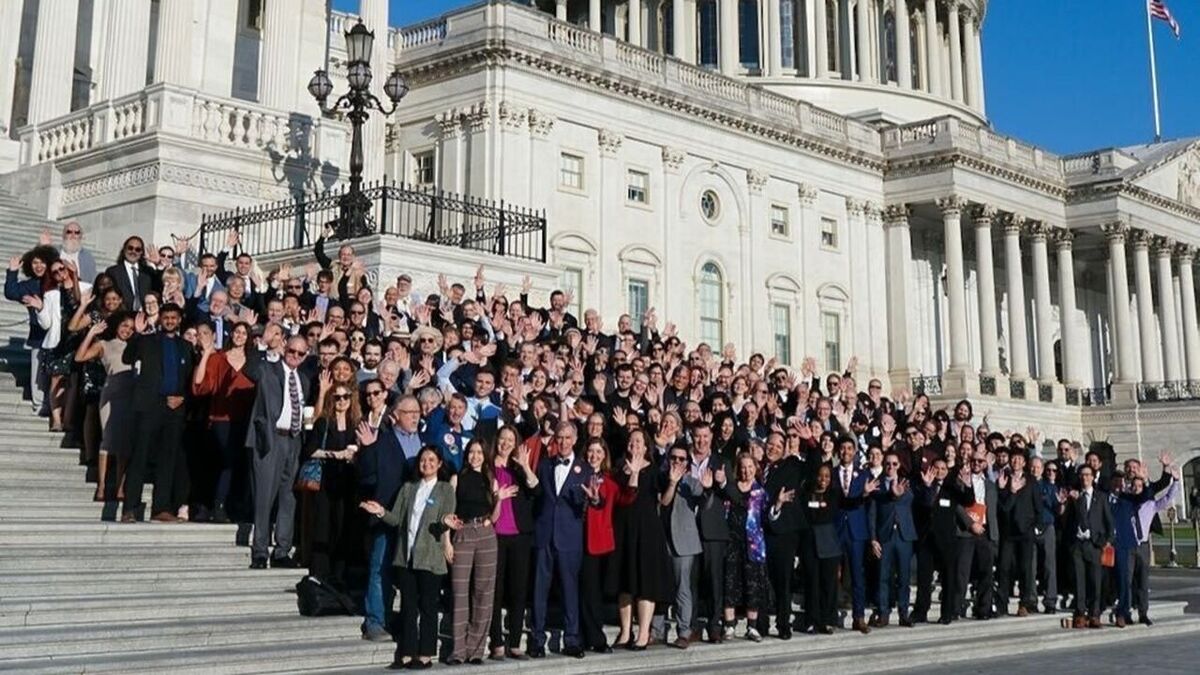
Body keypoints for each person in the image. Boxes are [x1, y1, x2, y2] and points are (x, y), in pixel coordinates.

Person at [360, 446, 455, 670]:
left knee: (428, 606)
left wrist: (445, 523)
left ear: (439, 464)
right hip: (407, 556)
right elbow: (396, 519)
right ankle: (406, 652)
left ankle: (425, 654)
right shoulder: (408, 488)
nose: (427, 463)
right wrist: (380, 511)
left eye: (431, 460)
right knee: (408, 606)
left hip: (430, 557)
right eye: (423, 459)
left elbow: (445, 519)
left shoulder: (445, 490)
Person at [120, 303, 193, 523]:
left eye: (174, 317)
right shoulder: (147, 341)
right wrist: (137, 334)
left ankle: (161, 508)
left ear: (179, 320)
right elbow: (127, 358)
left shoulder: (185, 346)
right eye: (166, 317)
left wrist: (183, 398)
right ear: (160, 319)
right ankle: (130, 508)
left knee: (168, 459)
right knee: (140, 456)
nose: (170, 321)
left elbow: (190, 378)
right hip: (149, 406)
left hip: (174, 408)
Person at [243, 335, 311, 568]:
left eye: (300, 353)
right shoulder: (268, 369)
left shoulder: (303, 379)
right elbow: (249, 370)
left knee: (288, 498)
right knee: (264, 497)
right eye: (292, 351)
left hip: (294, 440)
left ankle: (282, 550)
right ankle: (260, 551)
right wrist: (262, 345)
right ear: (284, 349)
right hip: (271, 439)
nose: (295, 356)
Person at [529, 422, 592, 659]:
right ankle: (537, 639)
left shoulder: (585, 469)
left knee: (569, 589)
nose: (564, 442)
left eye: (568, 438)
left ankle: (572, 639)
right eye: (560, 438)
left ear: (575, 440)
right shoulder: (544, 465)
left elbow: (594, 501)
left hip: (569, 537)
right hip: (544, 535)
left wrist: (595, 500)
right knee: (539, 590)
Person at [192, 321, 257, 524]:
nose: (240, 335)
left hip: (245, 420)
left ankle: (232, 506)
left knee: (240, 465)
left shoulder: (253, 362)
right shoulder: (219, 358)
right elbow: (200, 386)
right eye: (237, 332)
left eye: (244, 333)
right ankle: (217, 505)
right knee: (225, 462)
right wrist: (206, 354)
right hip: (221, 420)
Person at [446, 439, 503, 666]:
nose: (475, 456)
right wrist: (446, 542)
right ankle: (458, 651)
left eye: (479, 452)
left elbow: (495, 516)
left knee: (483, 593)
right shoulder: (456, 479)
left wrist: (499, 501)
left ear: (485, 455)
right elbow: (448, 512)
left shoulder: (491, 479)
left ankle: (476, 650)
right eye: (471, 452)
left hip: (486, 535)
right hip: (463, 533)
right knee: (459, 592)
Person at [612, 429, 669, 651]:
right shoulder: (619, 469)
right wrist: (631, 472)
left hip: (647, 531)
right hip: (624, 529)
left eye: (639, 441)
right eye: (631, 440)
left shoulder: (654, 470)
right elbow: (622, 496)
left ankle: (644, 632)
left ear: (646, 446)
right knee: (624, 582)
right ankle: (625, 631)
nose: (634, 444)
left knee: (646, 582)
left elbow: (665, 498)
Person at [488, 425, 541, 660]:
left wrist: (526, 466)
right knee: (495, 590)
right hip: (495, 535)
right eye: (503, 438)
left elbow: (537, 491)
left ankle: (516, 642)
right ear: (496, 440)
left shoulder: (519, 468)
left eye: (511, 440)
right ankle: (497, 642)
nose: (506, 443)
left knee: (518, 590)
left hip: (519, 535)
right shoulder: (487, 468)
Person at [302, 383, 362, 584]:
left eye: (346, 397)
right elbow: (310, 450)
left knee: (344, 525)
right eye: (337, 397)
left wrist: (354, 454)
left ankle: (339, 573)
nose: (342, 401)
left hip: (348, 480)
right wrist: (336, 455)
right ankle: (319, 571)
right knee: (323, 524)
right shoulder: (324, 422)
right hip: (327, 480)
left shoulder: (356, 423)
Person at [73, 315, 135, 502]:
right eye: (124, 326)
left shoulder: (136, 346)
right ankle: (101, 486)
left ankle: (120, 487)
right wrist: (91, 333)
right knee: (108, 440)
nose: (127, 330)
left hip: (130, 397)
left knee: (125, 443)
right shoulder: (105, 345)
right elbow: (79, 357)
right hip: (111, 395)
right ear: (117, 326)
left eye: (131, 328)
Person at [654, 445, 703, 649]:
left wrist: (683, 482)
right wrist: (672, 483)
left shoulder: (691, 483)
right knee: (658, 587)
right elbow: (663, 502)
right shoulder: (660, 478)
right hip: (660, 539)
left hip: (683, 542)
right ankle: (657, 630)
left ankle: (684, 631)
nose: (677, 462)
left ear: (687, 463)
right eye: (673, 457)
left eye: (681, 459)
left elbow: (700, 493)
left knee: (682, 588)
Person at [33, 261, 90, 432]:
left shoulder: (86, 287)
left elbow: (83, 305)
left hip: (77, 342)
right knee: (56, 380)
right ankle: (56, 420)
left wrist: (75, 276)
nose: (59, 273)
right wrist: (40, 309)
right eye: (55, 272)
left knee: (73, 382)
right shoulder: (51, 294)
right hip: (58, 342)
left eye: (61, 268)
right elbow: (46, 324)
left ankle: (68, 420)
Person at [722, 453, 771, 640]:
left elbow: (766, 517)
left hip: (753, 543)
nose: (746, 471)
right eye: (743, 467)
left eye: (750, 467)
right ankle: (729, 625)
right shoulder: (730, 488)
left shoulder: (761, 491)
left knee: (752, 583)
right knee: (730, 581)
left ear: (755, 468)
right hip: (731, 540)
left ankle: (752, 626)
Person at [867, 450, 916, 627]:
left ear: (899, 465)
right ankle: (883, 613)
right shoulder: (877, 485)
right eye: (887, 463)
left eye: (894, 464)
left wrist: (898, 493)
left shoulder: (906, 484)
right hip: (885, 536)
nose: (891, 467)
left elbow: (910, 499)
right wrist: (873, 538)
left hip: (903, 536)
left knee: (904, 577)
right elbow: (872, 515)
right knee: (883, 576)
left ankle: (904, 613)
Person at [579, 438, 619, 654]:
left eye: (598, 452)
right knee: (585, 590)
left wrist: (595, 500)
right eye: (591, 451)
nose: (594, 456)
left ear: (604, 455)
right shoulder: (578, 475)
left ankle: (594, 636)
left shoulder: (609, 482)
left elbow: (605, 501)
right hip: (577, 538)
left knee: (594, 591)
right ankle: (589, 636)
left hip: (599, 542)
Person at [6, 246, 57, 414]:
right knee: (38, 374)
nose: (39, 266)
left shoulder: (56, 282)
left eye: (42, 262)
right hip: (38, 336)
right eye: (35, 263)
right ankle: (40, 404)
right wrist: (12, 272)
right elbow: (11, 292)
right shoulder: (29, 285)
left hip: (58, 334)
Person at [955, 445, 999, 620]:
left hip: (985, 531)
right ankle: (956, 607)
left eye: (980, 461)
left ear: (985, 464)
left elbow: (993, 510)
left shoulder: (990, 485)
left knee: (986, 573)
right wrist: (970, 524)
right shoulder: (961, 480)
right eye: (974, 460)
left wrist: (994, 535)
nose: (977, 463)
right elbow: (958, 506)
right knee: (962, 572)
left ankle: (983, 609)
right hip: (966, 531)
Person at [1069, 464, 1113, 629]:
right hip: (1078, 543)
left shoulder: (1100, 497)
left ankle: (1095, 614)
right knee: (1079, 580)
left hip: (1094, 544)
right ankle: (1080, 613)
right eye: (1082, 475)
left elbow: (1109, 521)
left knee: (1095, 580)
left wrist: (1107, 541)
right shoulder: (1075, 496)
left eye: (1087, 475)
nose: (1084, 478)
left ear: (1093, 477)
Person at [105, 236, 160, 311]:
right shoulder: (113, 272)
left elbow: (158, 288)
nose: (133, 252)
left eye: (138, 249)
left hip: (144, 313)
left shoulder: (148, 272)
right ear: (124, 249)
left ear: (141, 253)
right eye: (130, 248)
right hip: (122, 314)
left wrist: (157, 265)